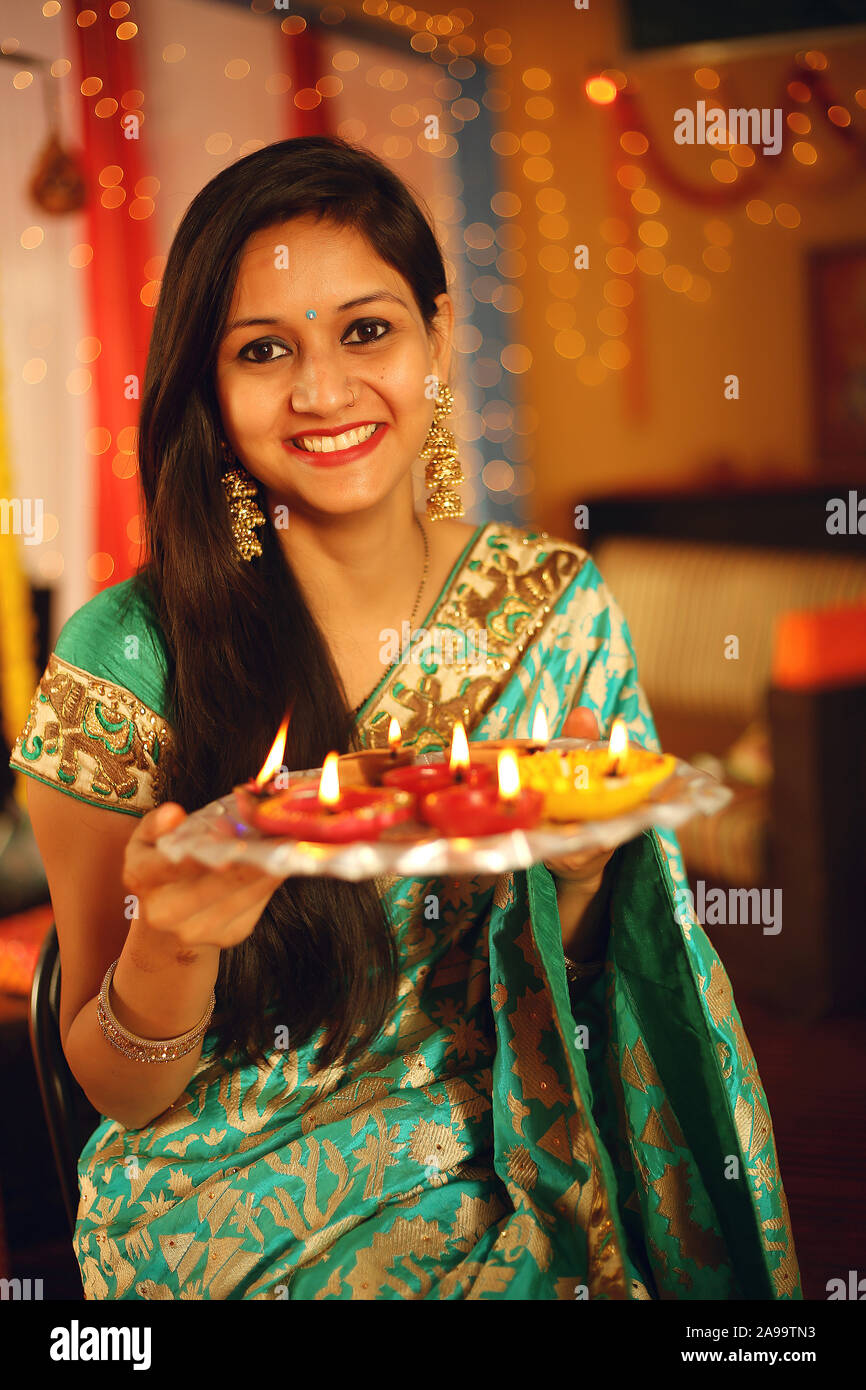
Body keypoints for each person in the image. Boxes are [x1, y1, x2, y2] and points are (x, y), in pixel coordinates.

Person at [9, 135, 800, 1301]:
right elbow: (120, 1088)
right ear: (207, 386)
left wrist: (579, 878)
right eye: (264, 350)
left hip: (514, 1150)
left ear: (434, 334)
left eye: (365, 330)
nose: (323, 391)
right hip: (220, 1204)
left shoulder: (550, 609)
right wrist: (172, 945)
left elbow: (618, 995)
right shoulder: (127, 658)